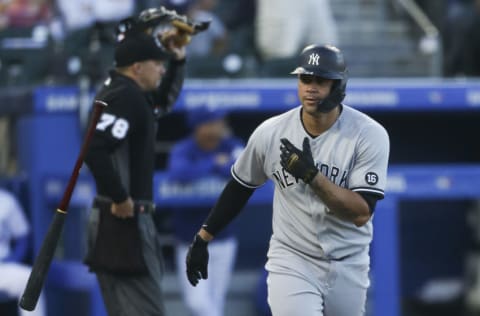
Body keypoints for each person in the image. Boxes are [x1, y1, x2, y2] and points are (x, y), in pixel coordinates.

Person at [185, 44, 390, 316]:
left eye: (321, 80)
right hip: (293, 259)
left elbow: (361, 212)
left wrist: (312, 176)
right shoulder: (271, 132)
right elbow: (239, 187)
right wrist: (203, 238)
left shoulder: (368, 134)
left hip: (348, 261)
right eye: (305, 79)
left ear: (339, 87)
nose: (311, 88)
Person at [83, 11, 187, 316]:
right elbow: (94, 149)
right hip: (123, 218)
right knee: (146, 310)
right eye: (158, 64)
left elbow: (162, 102)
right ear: (137, 67)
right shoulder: (125, 97)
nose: (161, 69)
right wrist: (120, 196)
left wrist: (178, 63)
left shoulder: (127, 93)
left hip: (113, 217)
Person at [166, 107, 244, 316]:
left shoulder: (231, 144)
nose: (220, 126)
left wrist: (216, 167)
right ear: (200, 127)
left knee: (215, 301)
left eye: (219, 122)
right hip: (188, 239)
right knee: (197, 302)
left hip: (223, 238)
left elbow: (241, 168)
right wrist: (212, 163)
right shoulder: (184, 149)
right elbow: (178, 174)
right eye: (213, 122)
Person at [0, 188, 46, 316]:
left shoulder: (6, 201)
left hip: (1, 268)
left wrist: (12, 259)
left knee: (29, 279)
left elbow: (23, 237)